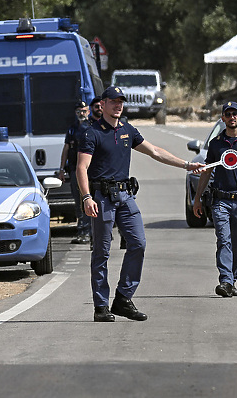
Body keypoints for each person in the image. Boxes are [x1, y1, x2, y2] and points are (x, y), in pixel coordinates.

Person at [76, 86, 203, 322]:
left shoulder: (127, 129)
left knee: (138, 243)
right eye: (113, 101)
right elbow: (81, 167)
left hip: (125, 196)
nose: (118, 105)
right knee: (102, 253)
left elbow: (155, 151)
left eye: (121, 101)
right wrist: (86, 197)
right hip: (101, 198)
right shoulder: (91, 133)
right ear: (102, 105)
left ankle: (123, 298)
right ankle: (101, 306)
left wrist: (186, 165)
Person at [192, 101, 237, 298]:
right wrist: (197, 199)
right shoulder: (216, 143)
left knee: (236, 245)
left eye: (235, 113)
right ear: (223, 118)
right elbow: (207, 172)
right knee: (223, 240)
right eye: (228, 114)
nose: (232, 117)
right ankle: (225, 280)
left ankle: (231, 279)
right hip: (220, 201)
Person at [57, 101, 93, 247]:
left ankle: (92, 232)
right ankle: (83, 231)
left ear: (88, 112)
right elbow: (66, 149)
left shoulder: (92, 127)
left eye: (84, 111)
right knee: (79, 203)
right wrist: (61, 169)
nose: (81, 114)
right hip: (74, 170)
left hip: (90, 171)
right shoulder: (72, 129)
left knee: (91, 200)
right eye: (78, 111)